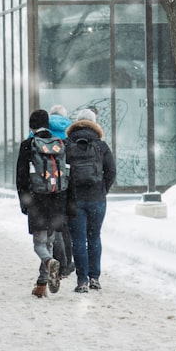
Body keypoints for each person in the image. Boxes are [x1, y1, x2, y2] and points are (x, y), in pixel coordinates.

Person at [17, 109, 70, 298]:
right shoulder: (60, 145)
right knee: (49, 240)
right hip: (57, 198)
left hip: (38, 199)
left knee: (39, 245)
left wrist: (24, 202)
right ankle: (41, 284)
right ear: (47, 124)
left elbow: (21, 177)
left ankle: (49, 263)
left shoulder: (28, 145)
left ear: (31, 126)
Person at [65, 108, 116, 293]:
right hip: (97, 199)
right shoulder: (101, 146)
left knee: (78, 239)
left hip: (75, 200)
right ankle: (95, 278)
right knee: (94, 237)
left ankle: (82, 281)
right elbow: (111, 172)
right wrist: (103, 189)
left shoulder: (67, 145)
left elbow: (63, 172)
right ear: (94, 123)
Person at [47, 104, 74, 277]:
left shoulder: (40, 134)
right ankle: (66, 264)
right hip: (65, 183)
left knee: (51, 226)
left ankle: (55, 259)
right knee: (65, 226)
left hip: (46, 184)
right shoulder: (70, 131)